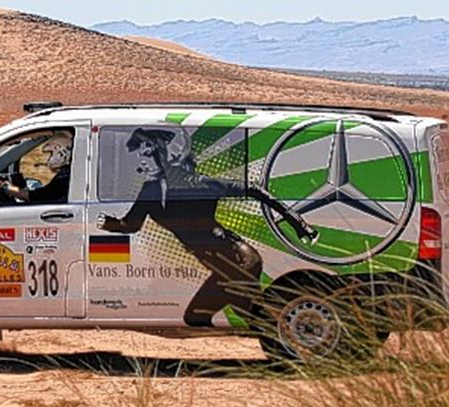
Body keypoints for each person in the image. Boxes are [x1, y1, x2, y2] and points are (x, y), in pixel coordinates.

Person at [96, 127, 315, 327]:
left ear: (164, 154)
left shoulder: (199, 183)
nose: (142, 162)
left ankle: (293, 343)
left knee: (210, 316)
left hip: (238, 259)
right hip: (220, 263)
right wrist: (106, 222)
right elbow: (131, 224)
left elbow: (254, 189)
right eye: (139, 156)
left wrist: (297, 221)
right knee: (239, 318)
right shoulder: (150, 190)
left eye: (146, 154)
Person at [0, 133, 72, 204]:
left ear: (62, 154)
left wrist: (3, 186)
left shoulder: (65, 177)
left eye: (51, 153)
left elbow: (35, 197)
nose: (48, 158)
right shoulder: (69, 173)